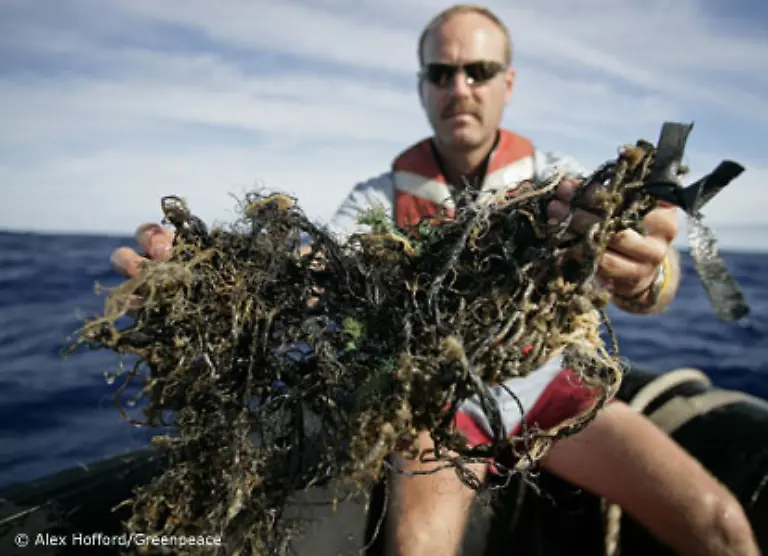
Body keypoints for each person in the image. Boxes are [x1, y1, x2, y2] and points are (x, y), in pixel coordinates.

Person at [110, 4, 760, 556]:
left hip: (549, 389)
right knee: (421, 543)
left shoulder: (561, 180)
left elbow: (656, 283)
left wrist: (644, 271)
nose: (460, 87)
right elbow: (320, 269)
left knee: (720, 522)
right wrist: (220, 275)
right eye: (441, 73)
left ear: (507, 82)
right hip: (436, 406)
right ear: (423, 86)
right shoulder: (377, 199)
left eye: (477, 72)